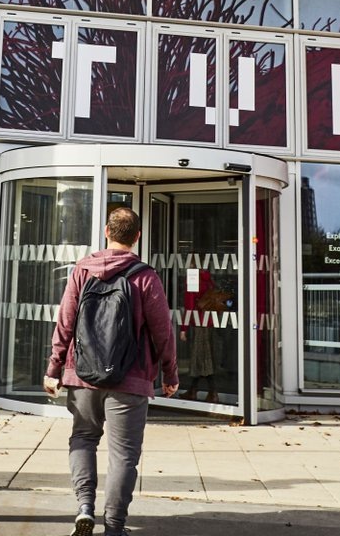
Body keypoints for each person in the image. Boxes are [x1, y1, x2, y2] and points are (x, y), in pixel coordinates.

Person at [43, 206, 178, 536]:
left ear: (106, 232)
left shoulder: (82, 270)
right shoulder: (145, 276)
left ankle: (84, 507)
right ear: (137, 237)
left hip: (82, 374)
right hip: (130, 378)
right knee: (124, 455)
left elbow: (66, 322)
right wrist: (170, 374)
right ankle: (114, 527)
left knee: (83, 438)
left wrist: (54, 368)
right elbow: (162, 331)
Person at [180, 253, 219, 403]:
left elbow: (189, 304)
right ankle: (193, 390)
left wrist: (184, 328)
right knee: (202, 357)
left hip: (199, 323)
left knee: (201, 358)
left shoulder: (193, 277)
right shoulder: (208, 278)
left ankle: (212, 392)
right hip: (209, 322)